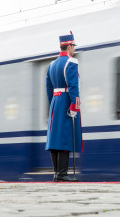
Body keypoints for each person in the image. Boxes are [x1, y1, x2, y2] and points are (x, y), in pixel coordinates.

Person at [45, 31, 82, 182]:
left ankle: (56, 173)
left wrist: (52, 104)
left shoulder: (51, 64)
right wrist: (75, 106)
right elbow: (73, 86)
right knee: (65, 137)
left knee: (54, 139)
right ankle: (62, 174)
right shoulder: (71, 62)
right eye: (73, 46)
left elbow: (48, 87)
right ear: (69, 47)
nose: (74, 49)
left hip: (55, 101)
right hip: (67, 101)